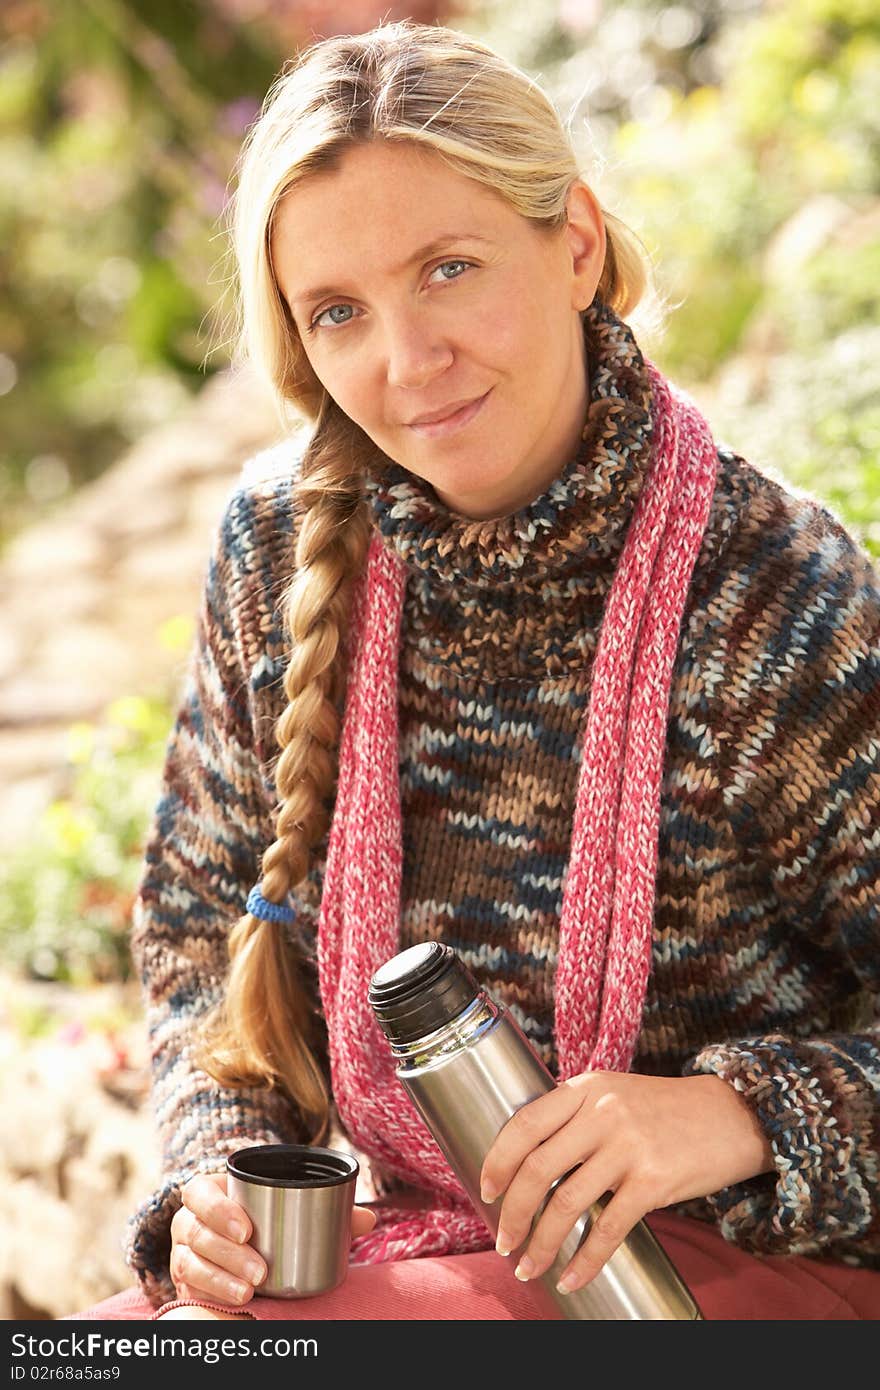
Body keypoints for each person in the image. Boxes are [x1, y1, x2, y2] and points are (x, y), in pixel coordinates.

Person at [68, 20, 880, 1323]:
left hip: (725, 1272)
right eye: (339, 311)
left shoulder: (772, 590)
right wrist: (212, 1167)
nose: (405, 360)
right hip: (412, 1255)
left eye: (448, 268)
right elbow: (194, 939)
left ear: (572, 243)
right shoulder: (280, 543)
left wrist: (736, 1113)